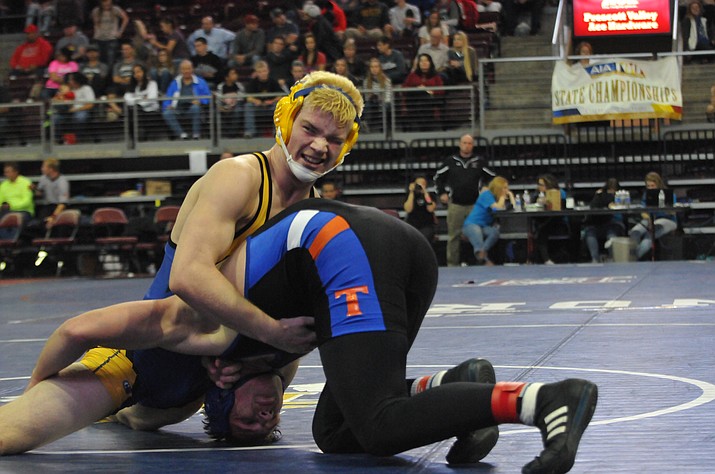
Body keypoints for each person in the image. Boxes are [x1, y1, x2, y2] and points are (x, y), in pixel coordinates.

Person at [0, 199, 599, 474]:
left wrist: (38, 386)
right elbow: (287, 353)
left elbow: (78, 329)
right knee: (337, 434)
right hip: (389, 248)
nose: (265, 414)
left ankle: (544, 400)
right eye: (268, 421)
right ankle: (453, 389)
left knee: (376, 425)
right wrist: (271, 353)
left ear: (221, 392)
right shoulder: (265, 359)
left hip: (340, 242)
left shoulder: (179, 327)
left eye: (248, 419)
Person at [143, 71, 365, 358]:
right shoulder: (238, 177)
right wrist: (269, 333)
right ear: (285, 120)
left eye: (334, 139)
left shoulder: (314, 213)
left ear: (346, 147)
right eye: (310, 129)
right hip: (157, 348)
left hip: (228, 358)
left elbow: (292, 323)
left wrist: (267, 369)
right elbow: (186, 277)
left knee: (265, 395)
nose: (320, 146)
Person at [434, 134, 491, 267]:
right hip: (456, 205)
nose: (467, 145)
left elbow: (492, 177)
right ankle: (452, 265)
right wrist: (441, 193)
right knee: (454, 236)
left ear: (473, 145)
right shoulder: (451, 161)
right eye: (464, 143)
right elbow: (437, 178)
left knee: (476, 236)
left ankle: (478, 262)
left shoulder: (479, 161)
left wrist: (486, 188)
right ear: (460, 144)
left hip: (475, 206)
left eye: (470, 143)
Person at [462, 176, 514, 265]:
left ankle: (482, 252)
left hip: (483, 226)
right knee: (477, 233)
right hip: (471, 224)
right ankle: (484, 260)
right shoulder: (487, 194)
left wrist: (511, 196)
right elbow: (497, 208)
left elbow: (513, 207)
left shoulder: (495, 197)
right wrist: (502, 197)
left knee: (494, 232)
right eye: (505, 188)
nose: (507, 190)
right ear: (499, 188)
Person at [629, 172, 677, 260]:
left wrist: (666, 207)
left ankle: (632, 260)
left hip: (667, 220)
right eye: (648, 186)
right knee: (634, 232)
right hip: (650, 219)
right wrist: (649, 220)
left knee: (650, 235)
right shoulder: (646, 195)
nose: (650, 188)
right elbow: (643, 211)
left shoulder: (668, 195)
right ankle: (633, 256)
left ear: (658, 184)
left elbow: (672, 212)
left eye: (652, 185)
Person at [162, 60, 211, 140]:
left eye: (188, 69)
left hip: (192, 109)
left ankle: (196, 135)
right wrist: (168, 105)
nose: (186, 71)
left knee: (195, 108)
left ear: (192, 69)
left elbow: (208, 96)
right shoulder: (174, 83)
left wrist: (200, 101)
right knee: (167, 113)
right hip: (177, 109)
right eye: (184, 69)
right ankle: (182, 135)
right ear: (180, 70)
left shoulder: (200, 82)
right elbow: (168, 97)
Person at [581, 178, 625, 263]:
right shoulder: (600, 196)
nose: (611, 192)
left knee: (611, 235)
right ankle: (595, 259)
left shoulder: (620, 196)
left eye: (613, 190)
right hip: (598, 223)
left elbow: (620, 213)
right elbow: (592, 207)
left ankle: (613, 258)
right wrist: (597, 196)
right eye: (609, 190)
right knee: (590, 232)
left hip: (614, 223)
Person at [401, 53, 445, 131]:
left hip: (430, 101)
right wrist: (416, 88)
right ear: (418, 63)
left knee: (425, 98)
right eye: (421, 61)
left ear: (430, 63)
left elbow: (441, 90)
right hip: (414, 100)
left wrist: (431, 91)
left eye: (426, 61)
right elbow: (404, 88)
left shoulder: (436, 76)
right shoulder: (412, 75)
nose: (424, 63)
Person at [532, 174, 568, 265]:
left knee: (542, 230)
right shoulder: (538, 194)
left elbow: (562, 206)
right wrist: (537, 201)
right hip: (543, 220)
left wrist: (548, 201)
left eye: (541, 185)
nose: (539, 187)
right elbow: (532, 204)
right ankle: (541, 258)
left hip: (557, 220)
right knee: (541, 228)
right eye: (538, 184)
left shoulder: (560, 192)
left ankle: (546, 259)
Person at [28, 158, 70, 236]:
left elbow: (63, 204)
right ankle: (42, 246)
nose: (42, 169)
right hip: (48, 206)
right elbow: (40, 193)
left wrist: (53, 217)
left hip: (59, 207)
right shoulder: (43, 178)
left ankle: (57, 246)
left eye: (44, 167)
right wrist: (34, 189)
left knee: (59, 225)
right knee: (41, 223)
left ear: (51, 169)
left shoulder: (62, 181)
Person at [50, 72, 95, 143]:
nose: (69, 81)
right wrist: (57, 98)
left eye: (71, 80)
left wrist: (76, 109)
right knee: (55, 118)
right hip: (67, 110)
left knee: (80, 117)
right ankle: (58, 139)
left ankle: (78, 138)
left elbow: (90, 104)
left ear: (77, 80)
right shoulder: (67, 88)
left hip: (81, 109)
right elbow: (57, 98)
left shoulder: (86, 88)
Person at [243, 60, 283, 138]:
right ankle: (250, 132)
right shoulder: (252, 83)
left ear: (268, 71)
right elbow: (247, 97)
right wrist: (255, 101)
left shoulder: (273, 81)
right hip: (257, 108)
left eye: (264, 71)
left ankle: (277, 132)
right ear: (256, 73)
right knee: (248, 106)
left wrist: (272, 101)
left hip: (270, 107)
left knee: (278, 106)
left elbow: (281, 95)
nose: (263, 73)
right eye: (260, 72)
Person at [124, 64, 160, 143]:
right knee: (133, 111)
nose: (137, 74)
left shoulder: (152, 84)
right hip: (137, 111)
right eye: (135, 73)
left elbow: (151, 99)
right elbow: (127, 99)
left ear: (144, 72)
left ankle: (138, 140)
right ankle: (135, 140)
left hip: (150, 111)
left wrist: (136, 100)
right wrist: (141, 99)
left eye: (139, 72)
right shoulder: (132, 86)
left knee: (134, 110)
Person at [91, 0, 130, 68]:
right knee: (100, 61)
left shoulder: (116, 9)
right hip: (99, 38)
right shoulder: (96, 11)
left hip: (111, 38)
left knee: (110, 61)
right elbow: (95, 24)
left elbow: (126, 18)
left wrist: (120, 31)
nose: (106, 5)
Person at [0, 162, 34, 239]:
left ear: (16, 172)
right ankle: (3, 243)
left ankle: (11, 243)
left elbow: (27, 201)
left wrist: (11, 206)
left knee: (15, 219)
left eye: (8, 172)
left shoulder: (26, 183)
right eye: (5, 172)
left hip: (24, 211)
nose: (6, 174)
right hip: (7, 211)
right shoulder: (3, 185)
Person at [362, 58, 392, 133]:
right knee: (367, 105)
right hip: (372, 102)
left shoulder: (386, 80)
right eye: (372, 67)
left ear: (380, 68)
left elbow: (388, 96)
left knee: (385, 106)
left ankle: (384, 129)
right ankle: (367, 126)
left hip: (383, 101)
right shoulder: (366, 81)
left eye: (376, 67)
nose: (374, 69)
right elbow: (367, 97)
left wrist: (381, 100)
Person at [404, 175, 437, 242]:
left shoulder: (430, 195)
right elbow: (408, 209)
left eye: (423, 184)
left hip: (426, 225)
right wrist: (411, 192)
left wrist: (425, 193)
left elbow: (430, 209)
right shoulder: (410, 195)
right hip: (412, 224)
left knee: (424, 237)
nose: (420, 186)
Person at [216, 67, 246, 138]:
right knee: (216, 112)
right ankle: (222, 135)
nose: (235, 75)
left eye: (235, 73)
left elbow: (241, 99)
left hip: (235, 107)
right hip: (223, 108)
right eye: (233, 74)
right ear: (227, 77)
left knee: (238, 110)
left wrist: (231, 107)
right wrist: (223, 108)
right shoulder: (220, 87)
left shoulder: (239, 86)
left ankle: (232, 135)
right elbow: (218, 100)